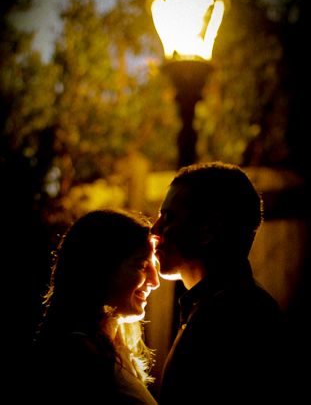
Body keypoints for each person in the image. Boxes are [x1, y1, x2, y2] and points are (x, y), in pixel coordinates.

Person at [151, 161, 295, 404]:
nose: (155, 230)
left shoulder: (233, 320)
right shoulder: (216, 306)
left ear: (208, 230)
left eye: (168, 217)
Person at [31, 208, 160, 404]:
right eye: (141, 266)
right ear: (101, 268)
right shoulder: (76, 356)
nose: (154, 281)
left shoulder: (115, 352)